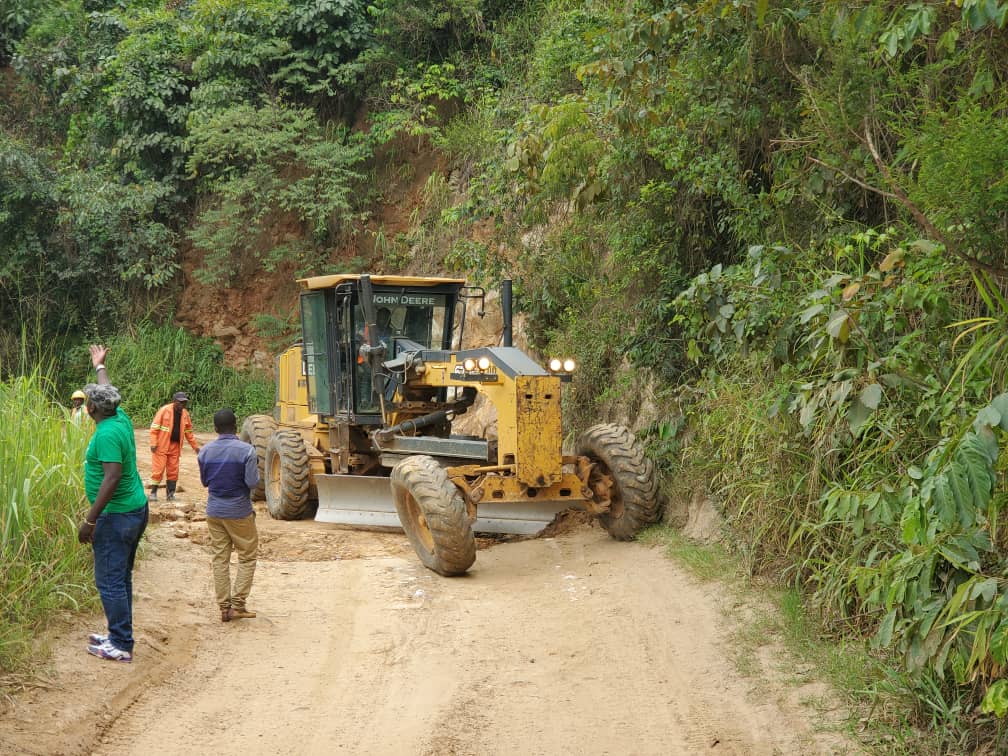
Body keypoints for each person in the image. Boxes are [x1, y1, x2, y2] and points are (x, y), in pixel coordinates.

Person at [77, 344, 149, 663]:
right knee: (120, 577)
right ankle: (120, 633)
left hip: (115, 516)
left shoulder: (107, 433)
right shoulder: (118, 416)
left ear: (91, 409)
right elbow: (109, 391)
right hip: (134, 510)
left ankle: (120, 643)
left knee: (108, 579)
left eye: (89, 400)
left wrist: (90, 520)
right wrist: (99, 366)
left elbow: (112, 477)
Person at [197, 408, 260, 623]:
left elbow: (205, 482)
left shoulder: (204, 452)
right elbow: (252, 483)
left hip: (214, 511)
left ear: (215, 428)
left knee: (220, 559)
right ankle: (238, 605)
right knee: (247, 555)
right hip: (239, 511)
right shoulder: (247, 451)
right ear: (235, 427)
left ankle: (224, 607)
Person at [148, 391, 200, 502]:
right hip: (161, 446)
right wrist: (153, 443)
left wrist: (196, 447)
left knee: (173, 471)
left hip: (175, 447)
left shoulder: (185, 414)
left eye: (184, 403)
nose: (182, 405)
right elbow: (154, 429)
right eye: (180, 402)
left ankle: (170, 495)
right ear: (174, 401)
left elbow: (189, 433)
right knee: (158, 470)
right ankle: (153, 493)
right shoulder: (164, 411)